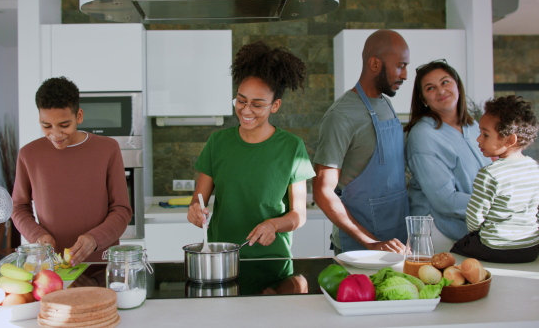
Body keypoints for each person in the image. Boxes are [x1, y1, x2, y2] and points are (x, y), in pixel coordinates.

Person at [186, 41, 315, 259]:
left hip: (273, 260)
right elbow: (198, 200)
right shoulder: (218, 142)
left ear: (275, 106)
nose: (246, 110)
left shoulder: (292, 147)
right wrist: (195, 213)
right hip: (222, 257)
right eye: (241, 100)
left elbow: (299, 215)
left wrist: (274, 224)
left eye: (257, 104)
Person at [12, 77, 132, 265]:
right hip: (51, 264)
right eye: (46, 125)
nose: (56, 134)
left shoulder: (108, 149)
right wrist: (37, 235)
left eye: (64, 125)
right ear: (40, 119)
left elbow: (122, 210)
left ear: (79, 116)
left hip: (100, 263)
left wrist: (95, 239)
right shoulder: (29, 154)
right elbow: (18, 207)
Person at [313, 29, 410, 254]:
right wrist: (370, 242)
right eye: (400, 65)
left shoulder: (387, 104)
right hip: (359, 250)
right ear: (374, 64)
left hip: (397, 243)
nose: (405, 75)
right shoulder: (341, 115)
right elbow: (322, 191)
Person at [404, 60, 491, 253]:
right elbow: (445, 199)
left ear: (457, 85)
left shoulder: (473, 127)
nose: (441, 91)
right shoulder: (423, 135)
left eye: (445, 82)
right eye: (430, 88)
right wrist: (494, 203)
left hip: (472, 229)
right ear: (424, 99)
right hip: (439, 234)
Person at [451, 95, 539, 263]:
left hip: (495, 248)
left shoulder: (490, 173)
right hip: (530, 248)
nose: (479, 139)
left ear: (510, 139)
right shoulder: (535, 168)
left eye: (485, 134)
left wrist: (476, 233)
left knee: (458, 248)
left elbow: (474, 219)